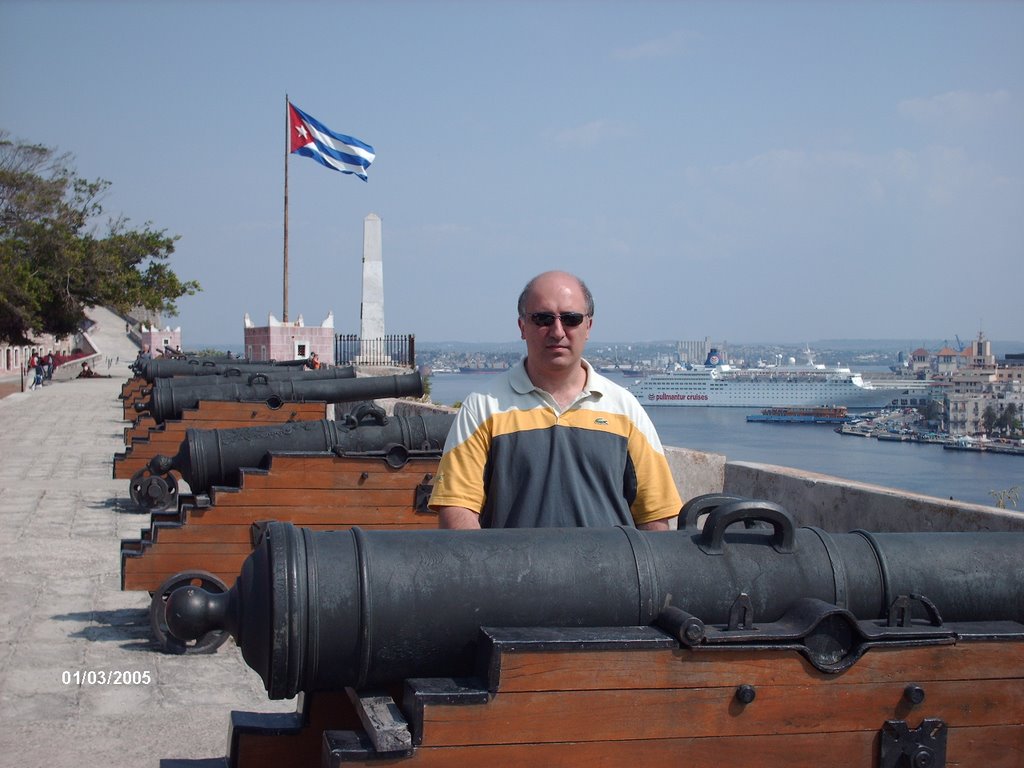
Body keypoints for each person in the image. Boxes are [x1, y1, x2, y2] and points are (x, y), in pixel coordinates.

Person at [428, 270, 682, 530]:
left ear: (588, 327)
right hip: (515, 569)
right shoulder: (483, 407)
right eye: (543, 319)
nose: (557, 331)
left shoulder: (625, 409)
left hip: (610, 571)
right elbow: (456, 508)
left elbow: (654, 515)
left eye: (571, 319)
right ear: (522, 327)